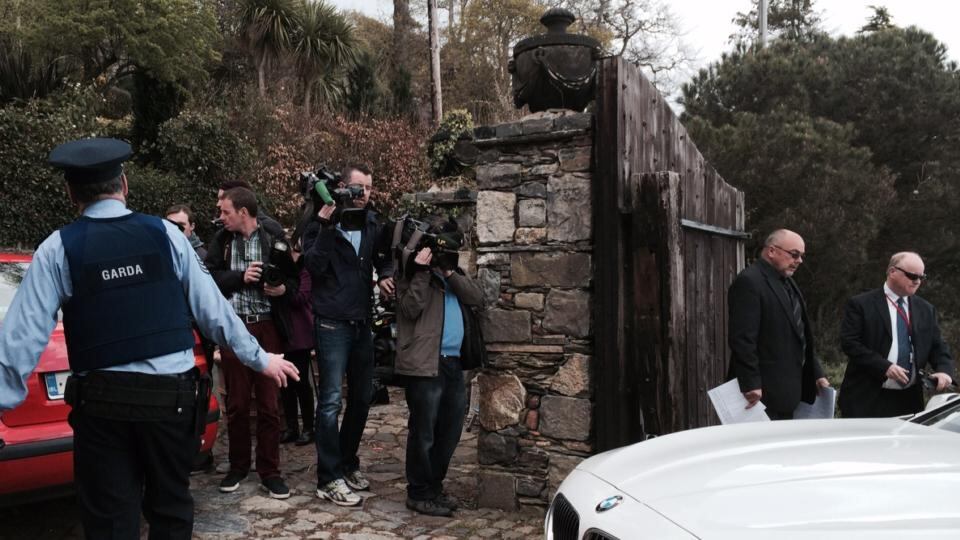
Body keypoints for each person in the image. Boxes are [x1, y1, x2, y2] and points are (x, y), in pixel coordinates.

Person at [0, 138, 299, 539]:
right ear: (124, 184)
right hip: (169, 407)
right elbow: (215, 313)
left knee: (110, 523)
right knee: (171, 513)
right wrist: (262, 359)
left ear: (71, 193)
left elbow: (21, 338)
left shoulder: (57, 249)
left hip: (103, 411)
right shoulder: (167, 235)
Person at [305, 164, 395, 506]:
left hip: (361, 321)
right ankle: (328, 478)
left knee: (361, 398)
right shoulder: (318, 222)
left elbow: (383, 258)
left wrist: (385, 275)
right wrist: (328, 226)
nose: (365, 194)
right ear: (342, 188)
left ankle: (346, 462)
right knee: (329, 402)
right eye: (359, 188)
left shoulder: (373, 223)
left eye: (370, 188)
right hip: (331, 323)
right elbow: (312, 267)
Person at [205, 187, 298, 498]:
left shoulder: (274, 237)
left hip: (268, 327)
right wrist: (240, 277)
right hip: (236, 329)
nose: (221, 217)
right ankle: (238, 466)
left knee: (271, 405)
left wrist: (282, 290)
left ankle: (270, 472)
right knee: (237, 403)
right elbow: (210, 280)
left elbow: (296, 281)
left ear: (243, 212)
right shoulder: (222, 240)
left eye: (226, 212)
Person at [394, 218, 483, 517]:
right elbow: (409, 308)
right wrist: (421, 271)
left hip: (453, 364)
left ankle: (434, 486)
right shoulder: (410, 271)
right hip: (424, 364)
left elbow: (476, 297)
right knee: (424, 432)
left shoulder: (453, 272)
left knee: (450, 431)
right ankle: (418, 492)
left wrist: (448, 270)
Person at [728, 229, 829, 420]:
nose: (799, 261)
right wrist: (750, 384)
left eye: (801, 256)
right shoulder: (749, 282)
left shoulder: (788, 283)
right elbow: (742, 339)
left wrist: (816, 373)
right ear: (772, 251)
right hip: (760, 396)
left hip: (790, 392)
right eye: (794, 254)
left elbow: (800, 336)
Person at [839, 252, 954, 417]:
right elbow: (850, 343)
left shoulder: (926, 309)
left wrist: (944, 370)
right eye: (912, 275)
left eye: (922, 277)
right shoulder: (861, 304)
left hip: (908, 400)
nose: (917, 281)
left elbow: (937, 346)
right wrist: (884, 367)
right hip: (866, 397)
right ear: (892, 272)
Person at [280, 248, 316, 446]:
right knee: (285, 385)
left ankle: (309, 427)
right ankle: (292, 427)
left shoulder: (304, 272)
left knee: (301, 383)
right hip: (282, 334)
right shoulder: (280, 272)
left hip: (300, 335)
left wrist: (283, 291)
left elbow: (300, 298)